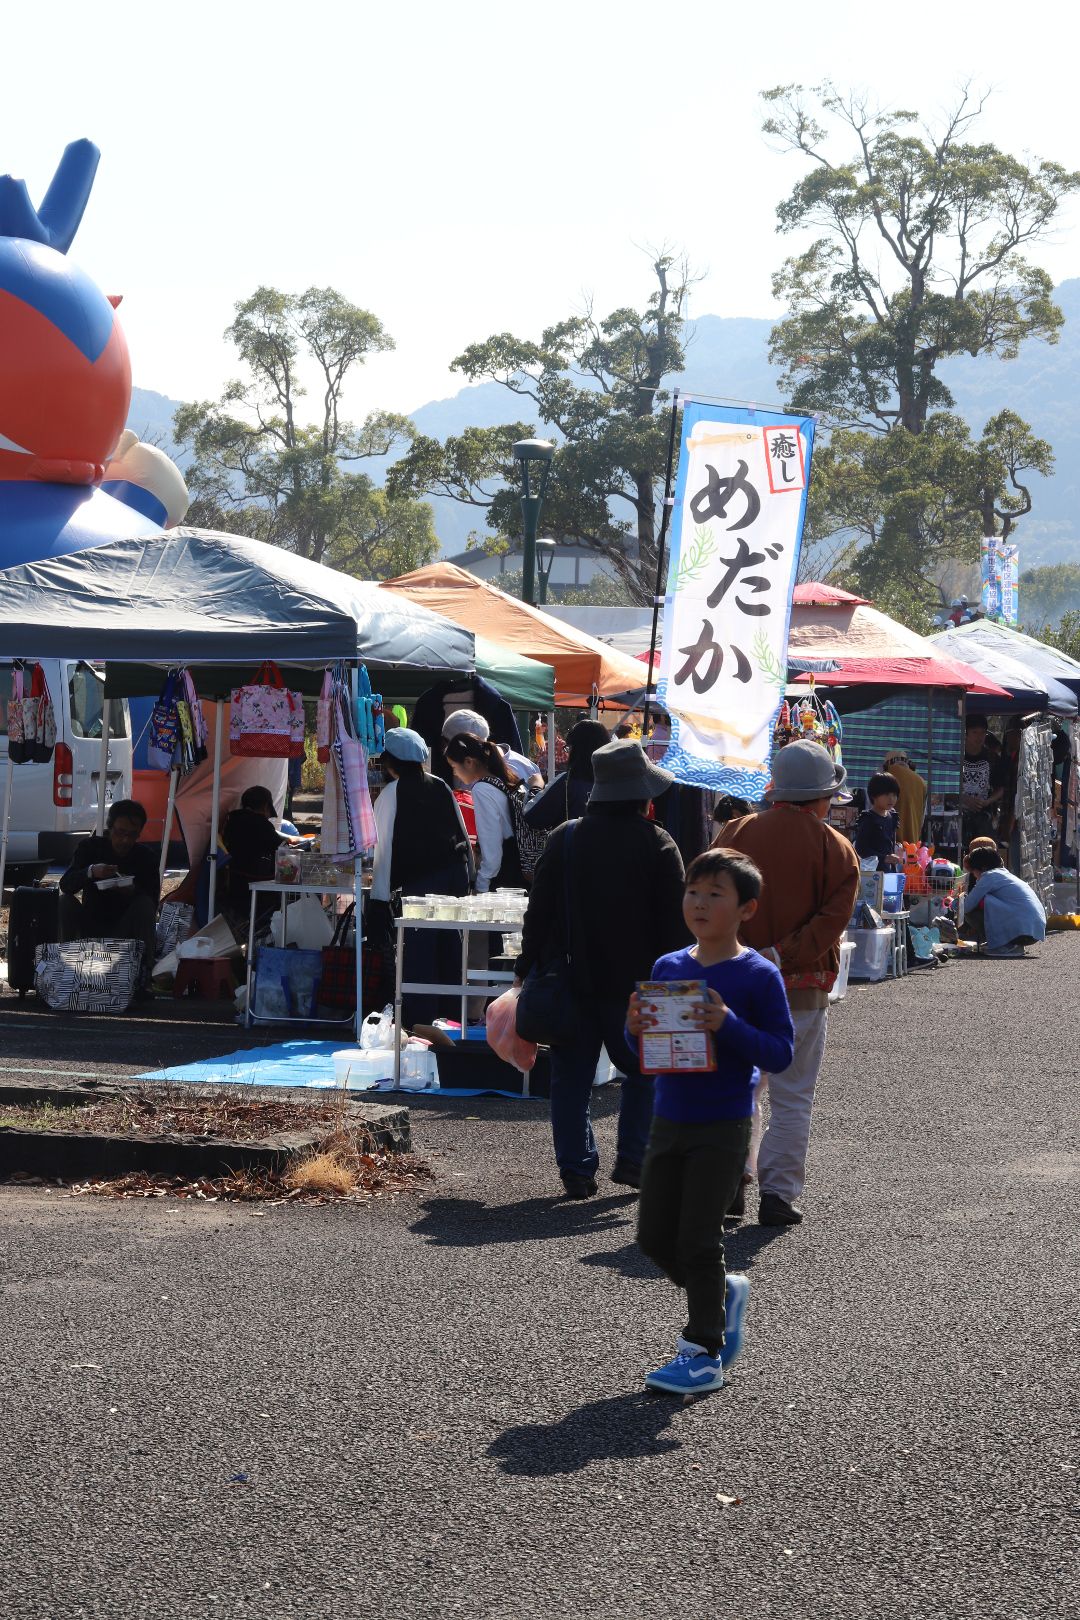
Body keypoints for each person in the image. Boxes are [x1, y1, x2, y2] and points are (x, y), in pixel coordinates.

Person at [627, 849, 795, 1395]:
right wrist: (632, 1028)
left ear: (747, 909)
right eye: (693, 891)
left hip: (723, 1124)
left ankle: (702, 1352)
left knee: (698, 1238)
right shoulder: (668, 966)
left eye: (714, 894)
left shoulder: (759, 975)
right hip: (668, 1117)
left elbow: (780, 1053)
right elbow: (644, 1050)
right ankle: (722, 1294)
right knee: (654, 1238)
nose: (699, 903)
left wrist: (727, 1022)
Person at [514, 739, 689, 1198]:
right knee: (647, 1071)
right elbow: (677, 922)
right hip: (644, 982)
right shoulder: (658, 842)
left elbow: (540, 911)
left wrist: (524, 966)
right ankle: (634, 1158)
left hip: (573, 978)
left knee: (570, 1077)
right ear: (642, 795)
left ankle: (576, 1169)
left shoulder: (566, 836)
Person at [720, 741, 861, 1226]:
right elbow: (832, 920)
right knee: (793, 1094)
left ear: (776, 789)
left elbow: (708, 898)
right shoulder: (836, 848)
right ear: (822, 797)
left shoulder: (736, 831)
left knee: (740, 1088)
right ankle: (777, 1195)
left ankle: (731, 1184)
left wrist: (739, 950)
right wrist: (780, 954)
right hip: (801, 988)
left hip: (732, 984)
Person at [371, 726, 473, 1025]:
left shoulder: (391, 794)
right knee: (451, 949)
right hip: (454, 877)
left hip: (419, 882)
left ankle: (421, 1022)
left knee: (419, 954)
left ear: (390, 763)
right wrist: (471, 879)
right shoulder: (440, 784)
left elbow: (383, 849)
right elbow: (463, 835)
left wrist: (378, 898)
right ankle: (454, 1019)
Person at [58, 799, 160, 980]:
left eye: (132, 835)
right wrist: (91, 872)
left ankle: (144, 972)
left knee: (144, 904)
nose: (125, 840)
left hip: (124, 928)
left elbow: (153, 901)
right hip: (90, 924)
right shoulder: (90, 847)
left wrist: (132, 891)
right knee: (64, 901)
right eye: (120, 833)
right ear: (110, 828)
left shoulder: (145, 857)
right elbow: (66, 884)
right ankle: (67, 967)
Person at [442, 733, 524, 892]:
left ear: (468, 762)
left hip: (502, 879)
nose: (454, 773)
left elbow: (492, 849)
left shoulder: (482, 790)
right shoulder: (502, 780)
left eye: (454, 767)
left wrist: (481, 886)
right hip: (518, 871)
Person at [523, 719, 610, 832]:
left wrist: (536, 786)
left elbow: (532, 816)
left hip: (574, 847)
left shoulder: (567, 782)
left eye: (569, 748)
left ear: (576, 749)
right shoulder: (619, 782)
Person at [221, 785, 290, 924]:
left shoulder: (232, 820)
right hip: (257, 883)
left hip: (234, 881)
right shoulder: (261, 824)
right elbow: (281, 849)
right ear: (265, 806)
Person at [962, 846, 1046, 957]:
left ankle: (1004, 945)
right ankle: (1007, 943)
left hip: (1023, 933)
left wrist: (953, 902)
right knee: (984, 901)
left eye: (973, 871)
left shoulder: (989, 877)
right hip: (1033, 931)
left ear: (982, 868)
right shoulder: (1004, 874)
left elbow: (966, 906)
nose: (973, 875)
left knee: (974, 909)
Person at [961, 715, 1008, 847]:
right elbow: (944, 788)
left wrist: (987, 801)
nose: (979, 737)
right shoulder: (955, 757)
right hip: (956, 818)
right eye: (974, 732)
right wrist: (963, 799)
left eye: (982, 733)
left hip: (983, 819)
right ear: (966, 734)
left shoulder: (992, 758)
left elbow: (1001, 788)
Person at [853, 773, 902, 870]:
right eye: (887, 794)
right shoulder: (868, 819)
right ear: (874, 795)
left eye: (894, 795)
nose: (891, 799)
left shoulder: (892, 817)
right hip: (872, 872)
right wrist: (884, 858)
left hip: (889, 871)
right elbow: (860, 849)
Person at [883, 747, 927, 845]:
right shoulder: (922, 782)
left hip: (888, 843)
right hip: (912, 845)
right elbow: (922, 818)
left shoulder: (885, 776)